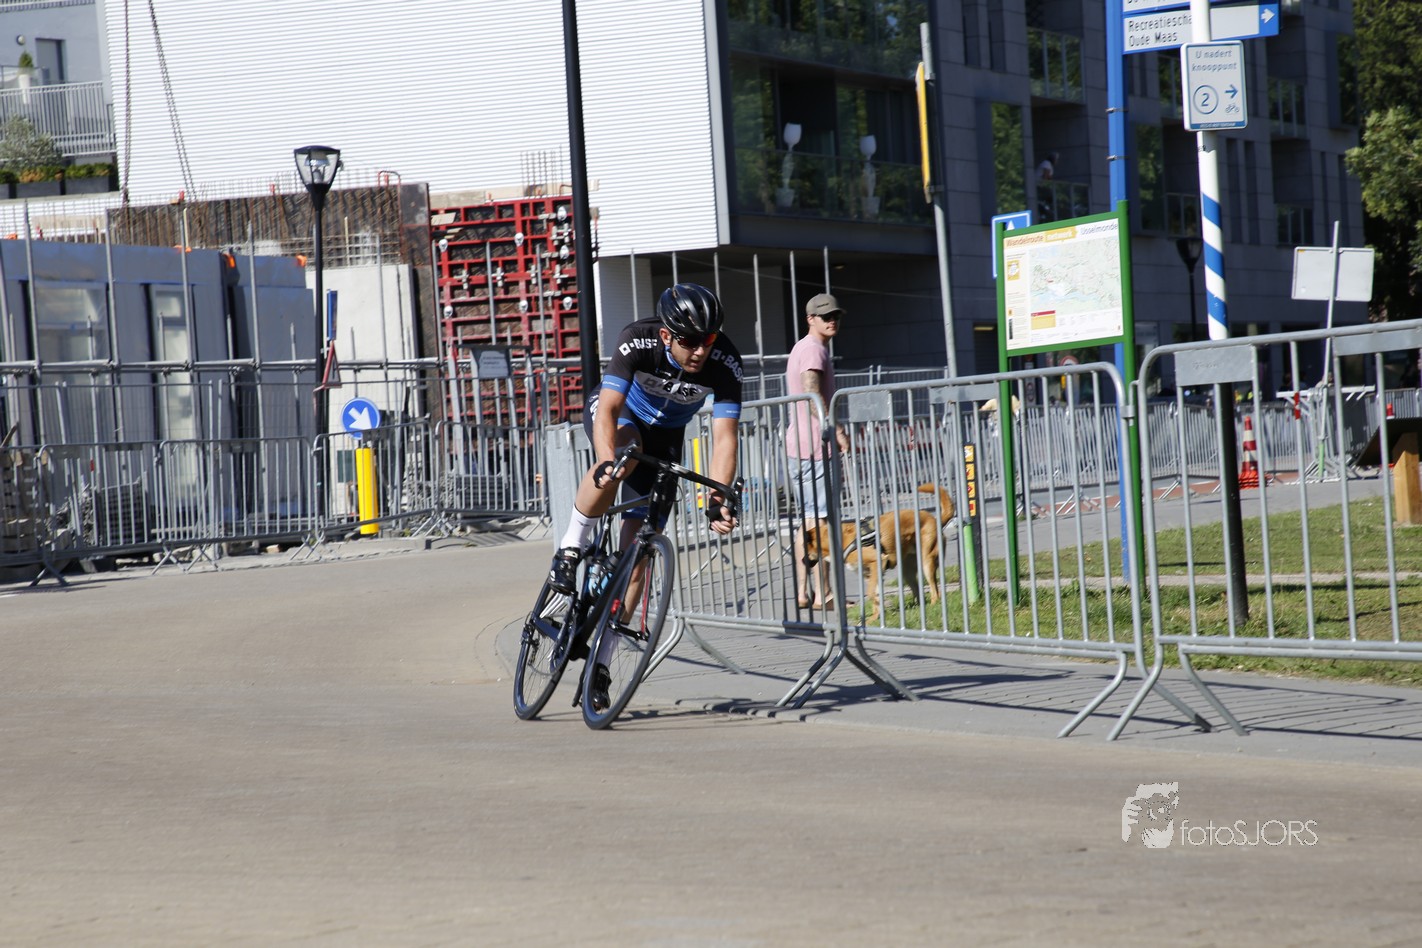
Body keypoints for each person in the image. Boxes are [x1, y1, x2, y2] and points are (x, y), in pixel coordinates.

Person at [547, 282, 743, 596]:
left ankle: (614, 625)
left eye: (708, 339)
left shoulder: (725, 362)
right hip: (625, 414)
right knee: (624, 454)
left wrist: (717, 498)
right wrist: (606, 460)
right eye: (689, 340)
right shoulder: (638, 339)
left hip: (667, 435)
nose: (700, 351)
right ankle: (570, 547)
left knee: (639, 558)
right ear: (666, 335)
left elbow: (724, 439)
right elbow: (608, 409)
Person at [786, 292, 850, 610]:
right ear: (810, 319)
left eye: (835, 315)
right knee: (819, 522)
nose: (832, 320)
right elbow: (812, 393)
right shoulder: (813, 349)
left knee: (809, 520)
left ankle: (803, 591)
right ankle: (824, 593)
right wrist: (835, 429)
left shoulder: (804, 347)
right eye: (825, 316)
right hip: (814, 448)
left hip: (801, 447)